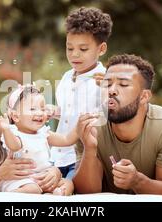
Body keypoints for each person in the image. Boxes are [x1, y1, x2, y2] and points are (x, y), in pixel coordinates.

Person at [74, 54, 162, 195]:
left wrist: (137, 181)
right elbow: (85, 194)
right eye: (107, 84)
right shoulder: (91, 127)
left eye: (123, 84)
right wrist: (90, 149)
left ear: (144, 97)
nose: (111, 91)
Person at [48, 6, 113, 181]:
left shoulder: (105, 79)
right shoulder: (67, 77)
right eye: (70, 48)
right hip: (56, 156)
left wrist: (107, 91)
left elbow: (106, 116)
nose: (74, 54)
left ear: (101, 49)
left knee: (68, 187)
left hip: (82, 157)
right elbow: (69, 112)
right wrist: (54, 111)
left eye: (83, 49)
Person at [0, 85, 77, 195]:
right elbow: (14, 146)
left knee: (68, 183)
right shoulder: (14, 133)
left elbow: (66, 140)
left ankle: (60, 194)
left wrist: (80, 126)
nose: (39, 113)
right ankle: (9, 196)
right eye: (32, 109)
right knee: (32, 189)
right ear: (15, 116)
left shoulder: (43, 133)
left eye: (42, 109)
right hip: (21, 180)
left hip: (44, 178)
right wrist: (5, 129)